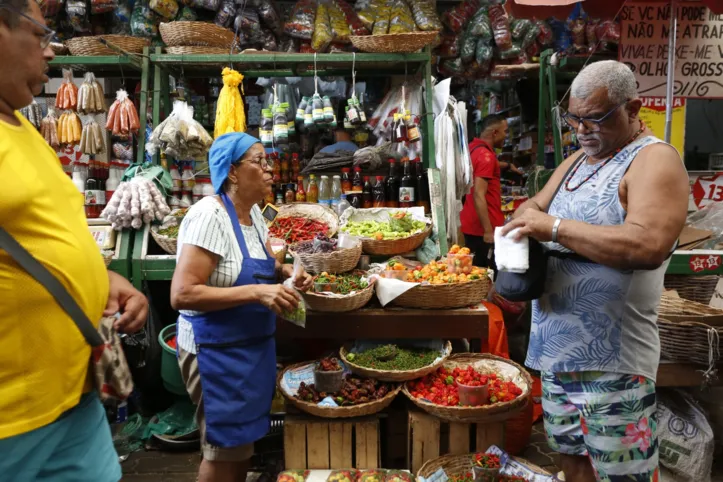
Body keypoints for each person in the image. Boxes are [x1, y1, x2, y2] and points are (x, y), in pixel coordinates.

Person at [502, 61, 689, 482]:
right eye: (574, 119)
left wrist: (553, 228)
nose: (582, 129)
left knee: (625, 474)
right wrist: (535, 219)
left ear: (633, 107)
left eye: (596, 118)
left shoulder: (653, 159)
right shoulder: (574, 163)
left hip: (613, 358)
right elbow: (530, 208)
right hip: (556, 351)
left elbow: (647, 245)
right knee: (570, 460)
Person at [0, 0, 148, 480]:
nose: (50, 52)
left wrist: (98, 276)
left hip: (74, 395)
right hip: (11, 417)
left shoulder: (21, 126)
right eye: (41, 35)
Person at [170, 132, 313, 482]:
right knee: (221, 453)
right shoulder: (210, 215)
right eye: (259, 161)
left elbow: (258, 264)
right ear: (232, 172)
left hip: (249, 348)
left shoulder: (254, 216)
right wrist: (256, 294)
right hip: (215, 352)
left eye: (269, 162)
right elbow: (183, 293)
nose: (269, 170)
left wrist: (287, 272)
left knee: (241, 449)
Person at [460, 114, 508, 268]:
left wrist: (505, 166)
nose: (506, 136)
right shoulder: (486, 156)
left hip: (471, 223)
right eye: (505, 131)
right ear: (495, 133)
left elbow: (482, 166)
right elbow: (479, 194)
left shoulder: (473, 148)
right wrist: (488, 231)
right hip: (482, 229)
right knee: (486, 275)